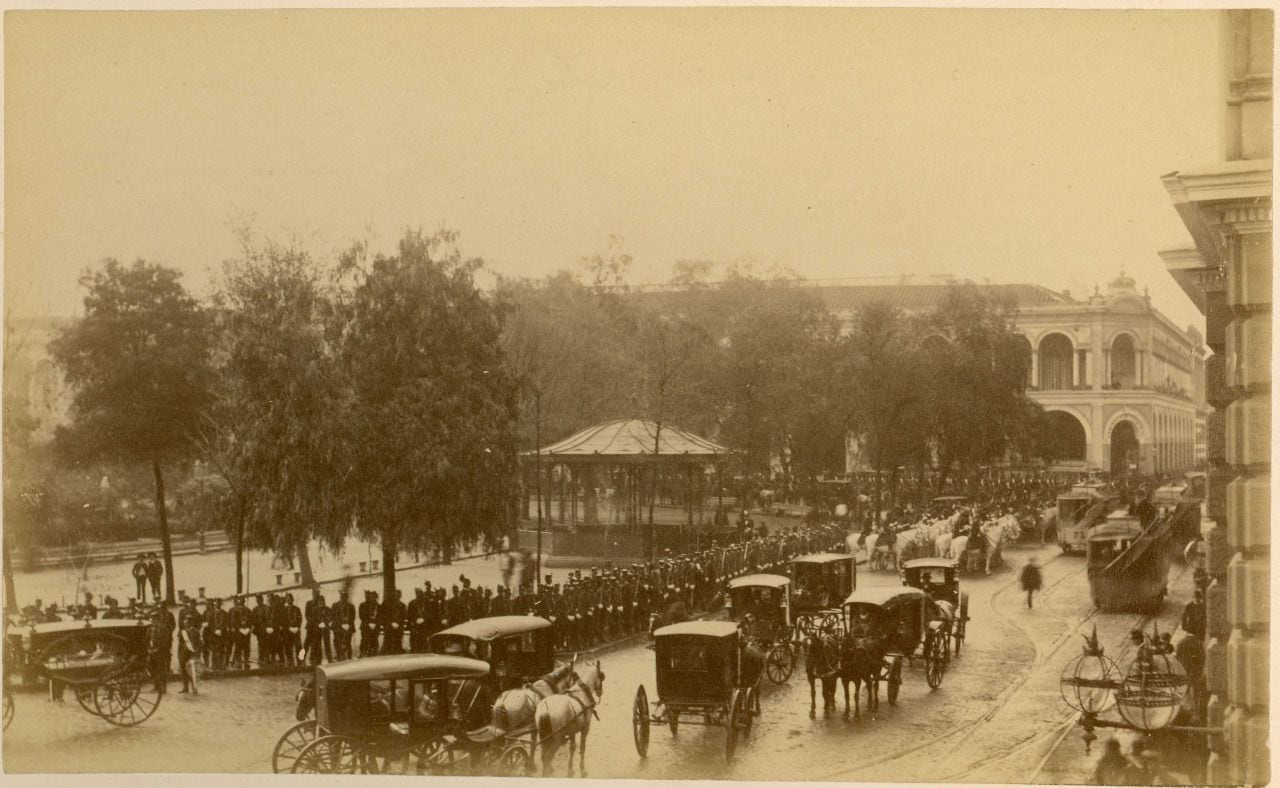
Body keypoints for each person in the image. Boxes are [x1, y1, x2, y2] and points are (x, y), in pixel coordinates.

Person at [331, 589, 356, 661]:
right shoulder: (335, 605)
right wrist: (341, 625)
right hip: (338, 627)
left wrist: (348, 625)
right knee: (337, 641)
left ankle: (349, 656)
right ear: (340, 597)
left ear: (347, 597)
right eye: (342, 596)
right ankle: (339, 655)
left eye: (345, 597)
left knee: (348, 642)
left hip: (348, 627)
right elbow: (334, 616)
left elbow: (353, 617)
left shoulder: (351, 606)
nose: (344, 598)